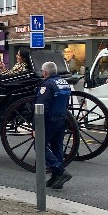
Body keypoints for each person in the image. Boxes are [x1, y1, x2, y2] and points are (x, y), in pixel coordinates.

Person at [34, 61, 73, 189]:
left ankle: (60, 170)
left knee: (39, 145)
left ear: (45, 72)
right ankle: (56, 178)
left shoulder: (47, 84)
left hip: (50, 119)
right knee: (57, 147)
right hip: (62, 117)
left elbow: (42, 106)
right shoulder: (64, 83)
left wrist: (36, 127)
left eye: (42, 71)